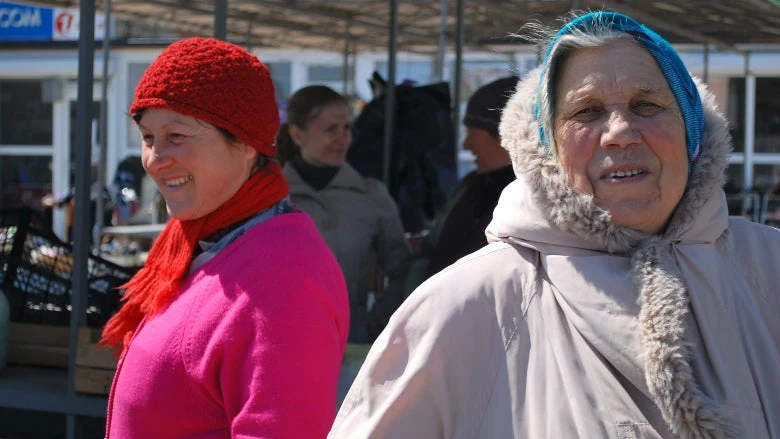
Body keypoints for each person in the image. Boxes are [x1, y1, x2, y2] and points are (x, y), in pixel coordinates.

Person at [330, 11, 780, 438]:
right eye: (586, 112)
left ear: (692, 132)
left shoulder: (768, 268)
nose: (620, 131)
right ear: (549, 146)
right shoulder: (463, 306)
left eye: (646, 105)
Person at [99, 37, 350, 438]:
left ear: (246, 144)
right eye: (148, 138)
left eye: (176, 136)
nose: (155, 159)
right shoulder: (209, 243)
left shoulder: (283, 280)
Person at [276, 85, 410, 343]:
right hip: (284, 338)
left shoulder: (370, 195)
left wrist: (377, 322)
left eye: (346, 128)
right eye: (330, 129)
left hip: (349, 339)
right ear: (297, 134)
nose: (342, 138)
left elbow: (402, 267)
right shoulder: (272, 197)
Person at [404, 76, 518, 294]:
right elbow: (430, 251)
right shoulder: (469, 187)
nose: (466, 144)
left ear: (502, 133)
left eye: (471, 131)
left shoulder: (532, 200)